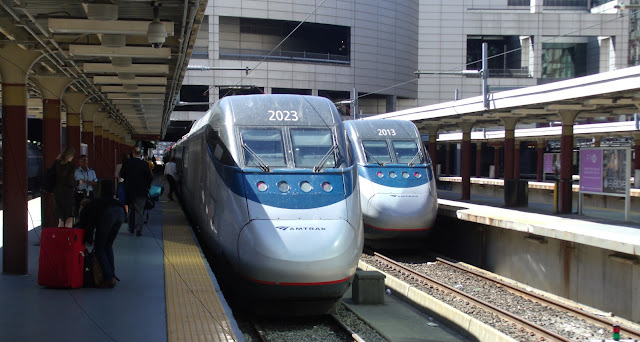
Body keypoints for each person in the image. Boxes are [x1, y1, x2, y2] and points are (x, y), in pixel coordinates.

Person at [75, 185, 126, 288]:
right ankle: (111, 274)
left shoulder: (87, 210)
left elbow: (87, 227)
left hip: (109, 213)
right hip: (121, 212)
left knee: (99, 248)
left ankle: (109, 277)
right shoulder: (97, 203)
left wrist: (88, 240)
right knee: (107, 245)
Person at [119, 147, 153, 236]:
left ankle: (131, 228)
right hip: (142, 191)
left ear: (133, 153)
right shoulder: (145, 164)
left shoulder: (127, 163)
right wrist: (147, 186)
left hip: (129, 191)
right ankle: (139, 229)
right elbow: (150, 177)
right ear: (140, 154)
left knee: (131, 209)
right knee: (140, 210)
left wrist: (127, 181)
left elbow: (121, 175)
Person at [51, 146, 77, 227]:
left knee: (61, 219)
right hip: (68, 195)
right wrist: (78, 182)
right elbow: (70, 181)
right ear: (71, 155)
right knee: (69, 218)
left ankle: (60, 237)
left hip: (57, 194)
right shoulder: (71, 166)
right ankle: (67, 238)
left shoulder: (56, 164)